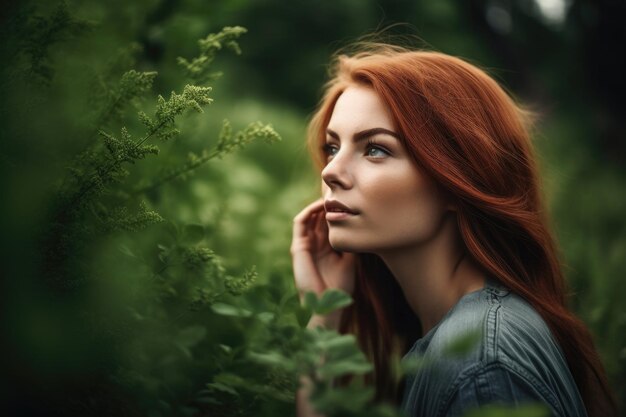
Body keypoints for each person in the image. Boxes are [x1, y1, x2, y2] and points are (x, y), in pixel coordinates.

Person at [290, 43, 617, 417]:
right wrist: (324, 320)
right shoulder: (449, 339)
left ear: (455, 180)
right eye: (332, 147)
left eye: (376, 149)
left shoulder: (483, 365)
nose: (330, 171)